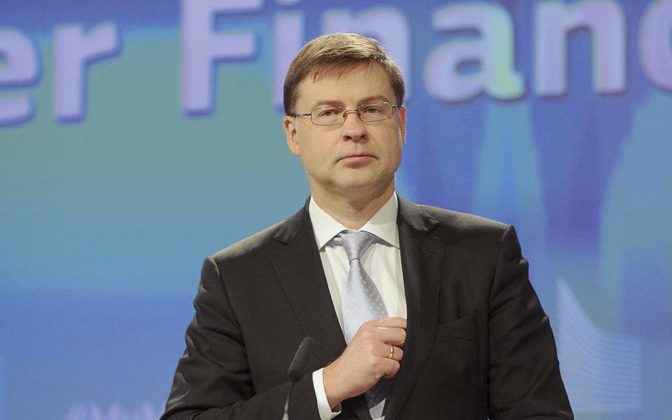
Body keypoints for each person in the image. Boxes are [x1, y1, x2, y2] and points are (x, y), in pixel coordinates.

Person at [161, 33, 572, 420]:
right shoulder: (238, 277)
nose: (354, 130)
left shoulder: (483, 254)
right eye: (328, 113)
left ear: (401, 123)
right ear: (293, 134)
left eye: (372, 110)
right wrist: (325, 387)